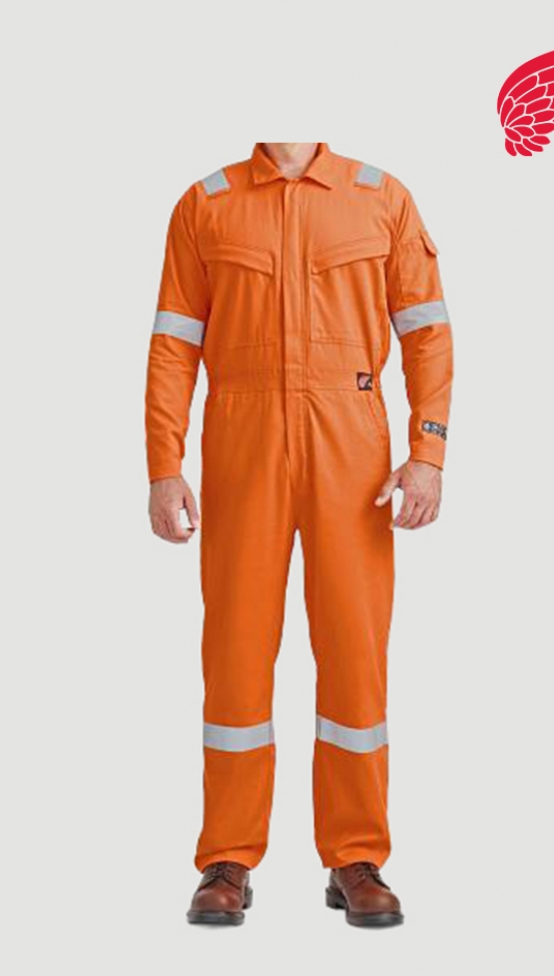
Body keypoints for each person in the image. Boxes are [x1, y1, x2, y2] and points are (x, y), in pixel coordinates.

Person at [145, 143, 453, 927]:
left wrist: (427, 453)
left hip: (350, 444)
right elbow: (174, 345)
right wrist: (163, 465)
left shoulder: (379, 197)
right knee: (235, 650)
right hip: (242, 439)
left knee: (354, 648)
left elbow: (426, 332)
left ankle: (357, 856)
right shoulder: (207, 204)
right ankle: (227, 857)